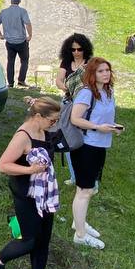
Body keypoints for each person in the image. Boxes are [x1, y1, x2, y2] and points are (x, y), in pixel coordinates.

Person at [0, 96, 65, 269]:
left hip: (44, 193)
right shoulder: (23, 136)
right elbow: (3, 165)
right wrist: (30, 169)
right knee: (30, 240)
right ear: (38, 116)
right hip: (26, 195)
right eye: (52, 120)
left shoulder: (43, 129)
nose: (54, 124)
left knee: (44, 238)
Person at [68, 57, 122, 249]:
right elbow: (75, 119)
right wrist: (98, 127)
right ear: (92, 73)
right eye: (100, 71)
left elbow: (103, 117)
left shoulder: (108, 91)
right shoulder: (86, 93)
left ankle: (78, 222)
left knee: (88, 189)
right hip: (86, 146)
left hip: (100, 145)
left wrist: (112, 127)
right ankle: (80, 235)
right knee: (85, 190)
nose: (105, 74)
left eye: (107, 70)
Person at [54, 33, 94, 188]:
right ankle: (74, 176)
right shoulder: (66, 62)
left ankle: (91, 178)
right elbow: (58, 81)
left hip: (85, 105)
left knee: (87, 142)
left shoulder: (90, 63)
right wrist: (68, 87)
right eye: (73, 50)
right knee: (69, 139)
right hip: (69, 103)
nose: (76, 52)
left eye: (79, 49)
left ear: (85, 49)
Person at [0, 0, 33, 88]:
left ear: (11, 1)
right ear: (19, 1)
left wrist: (0, 35)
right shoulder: (22, 11)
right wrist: (30, 35)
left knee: (10, 61)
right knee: (24, 60)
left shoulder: (4, 12)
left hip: (9, 42)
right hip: (21, 42)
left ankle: (10, 83)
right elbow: (28, 24)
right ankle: (21, 80)